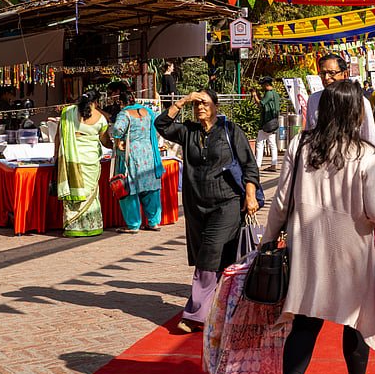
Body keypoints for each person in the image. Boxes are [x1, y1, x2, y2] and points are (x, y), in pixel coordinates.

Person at [263, 80, 375, 374]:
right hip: (351, 249)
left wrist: (266, 241)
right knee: (356, 321)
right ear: (356, 113)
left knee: (305, 322)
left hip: (306, 246)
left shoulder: (300, 144)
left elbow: (281, 202)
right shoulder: (366, 154)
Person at [155, 89, 259, 331]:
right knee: (217, 255)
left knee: (209, 253)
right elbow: (161, 124)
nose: (201, 108)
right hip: (196, 205)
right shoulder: (189, 131)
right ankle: (225, 306)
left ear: (216, 106)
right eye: (197, 104)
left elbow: (249, 165)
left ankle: (195, 315)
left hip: (228, 202)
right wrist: (182, 101)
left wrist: (251, 195)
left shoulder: (230, 131)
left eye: (205, 103)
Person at [109, 81, 165, 233]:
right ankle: (154, 222)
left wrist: (118, 141)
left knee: (129, 188)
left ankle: (133, 225)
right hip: (149, 152)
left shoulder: (124, 113)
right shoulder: (148, 111)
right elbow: (156, 128)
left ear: (122, 102)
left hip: (131, 154)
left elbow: (117, 129)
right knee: (150, 188)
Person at [54, 90, 111, 238]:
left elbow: (58, 136)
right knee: (90, 193)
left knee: (73, 191)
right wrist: (117, 144)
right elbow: (105, 141)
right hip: (90, 160)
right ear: (96, 102)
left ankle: (72, 228)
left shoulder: (68, 112)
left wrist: (56, 155)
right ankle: (92, 227)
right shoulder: (101, 118)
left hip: (71, 159)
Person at [306, 54, 375, 148]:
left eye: (332, 73)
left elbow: (370, 139)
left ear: (345, 74)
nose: (326, 78)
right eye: (323, 73)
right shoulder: (313, 100)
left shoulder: (360, 102)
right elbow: (309, 135)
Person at [254, 76, 281, 171]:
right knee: (272, 144)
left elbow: (261, 104)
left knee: (260, 143)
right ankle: (274, 164)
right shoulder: (275, 94)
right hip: (273, 122)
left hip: (266, 122)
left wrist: (254, 96)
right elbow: (266, 102)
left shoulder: (269, 93)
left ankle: (257, 165)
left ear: (266, 85)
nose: (262, 88)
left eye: (262, 86)